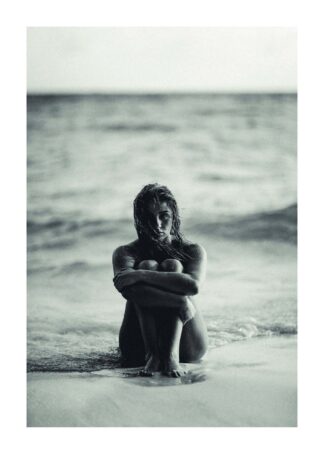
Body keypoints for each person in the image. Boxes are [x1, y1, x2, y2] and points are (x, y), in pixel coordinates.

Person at [112, 183, 208, 377]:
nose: (157, 225)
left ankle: (170, 356)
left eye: (163, 216)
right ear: (140, 221)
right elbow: (124, 287)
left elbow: (193, 285)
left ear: (174, 217)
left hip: (187, 348)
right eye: (149, 218)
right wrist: (178, 301)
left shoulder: (192, 250)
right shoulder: (126, 252)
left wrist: (140, 275)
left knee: (172, 265)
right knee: (147, 264)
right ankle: (153, 354)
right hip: (137, 350)